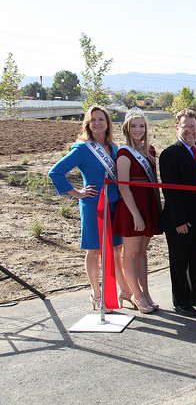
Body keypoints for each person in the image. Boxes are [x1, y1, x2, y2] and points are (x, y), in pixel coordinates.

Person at [49, 104, 132, 312]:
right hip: (94, 205)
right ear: (87, 124)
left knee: (116, 248)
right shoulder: (82, 149)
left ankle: (124, 290)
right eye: (93, 120)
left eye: (101, 119)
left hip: (114, 203)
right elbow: (55, 172)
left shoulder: (113, 147)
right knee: (94, 250)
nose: (97, 123)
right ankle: (97, 293)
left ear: (107, 123)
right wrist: (77, 193)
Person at [159, 109, 196, 317]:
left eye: (193, 127)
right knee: (180, 263)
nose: (190, 131)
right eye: (186, 127)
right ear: (177, 128)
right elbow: (170, 191)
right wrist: (180, 220)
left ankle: (195, 294)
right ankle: (180, 301)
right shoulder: (170, 154)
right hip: (182, 221)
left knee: (195, 260)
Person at [112, 108, 162, 314]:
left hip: (147, 205)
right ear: (127, 128)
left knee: (142, 252)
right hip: (132, 209)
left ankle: (146, 293)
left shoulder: (150, 150)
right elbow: (123, 187)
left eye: (141, 126)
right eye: (134, 126)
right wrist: (136, 215)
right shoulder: (124, 153)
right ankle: (136, 295)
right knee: (131, 253)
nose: (138, 130)